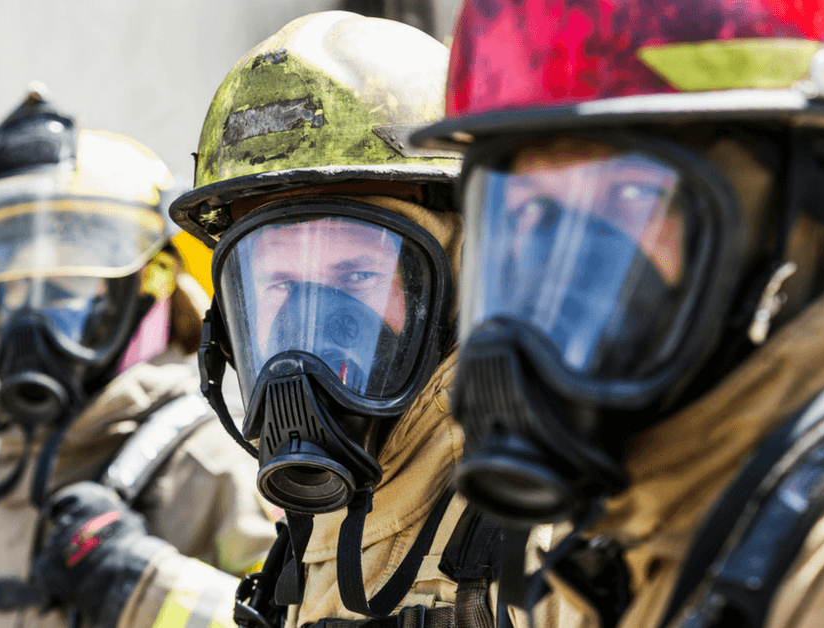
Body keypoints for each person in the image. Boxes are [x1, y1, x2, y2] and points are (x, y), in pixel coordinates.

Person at [413, 0, 824, 626]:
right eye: (529, 210)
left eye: (632, 197)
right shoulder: (615, 541)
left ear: (789, 223)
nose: (570, 264)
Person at [167, 12, 582, 628]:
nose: (309, 335)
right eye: (278, 282)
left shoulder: (554, 542)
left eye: (356, 277)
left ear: (471, 274)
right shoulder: (308, 541)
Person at [0, 85, 276, 628]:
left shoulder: (214, 466)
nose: (31, 323)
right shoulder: (25, 464)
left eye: (66, 287)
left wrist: (141, 585)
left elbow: (293, 617)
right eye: (12, 291)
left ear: (151, 287)